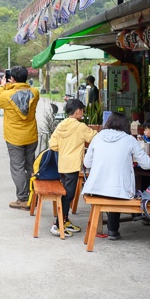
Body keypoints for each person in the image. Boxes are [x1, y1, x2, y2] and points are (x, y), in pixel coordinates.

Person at [82, 111, 150, 240]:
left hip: (95, 188)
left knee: (111, 188)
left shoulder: (97, 137)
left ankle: (112, 229)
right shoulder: (129, 140)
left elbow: (86, 163)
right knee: (116, 189)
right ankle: (113, 230)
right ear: (126, 125)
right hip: (119, 191)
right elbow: (147, 165)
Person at [47, 98, 97, 237]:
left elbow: (53, 144)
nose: (83, 112)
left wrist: (65, 149)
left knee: (66, 194)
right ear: (77, 111)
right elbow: (94, 137)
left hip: (62, 164)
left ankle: (65, 220)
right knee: (68, 196)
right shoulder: (80, 127)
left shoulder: (61, 125)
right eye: (82, 110)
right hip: (73, 165)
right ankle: (58, 225)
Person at [0, 65, 40, 210]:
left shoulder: (7, 95)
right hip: (31, 135)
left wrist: (3, 86)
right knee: (30, 166)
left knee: (17, 167)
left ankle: (22, 199)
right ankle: (33, 195)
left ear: (12, 79)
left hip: (14, 137)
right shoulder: (35, 92)